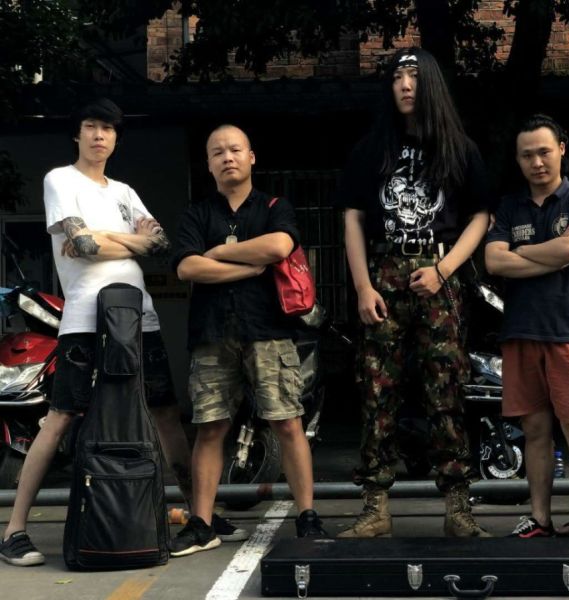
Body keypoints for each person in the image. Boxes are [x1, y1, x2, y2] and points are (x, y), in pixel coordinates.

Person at [0, 99, 248, 568]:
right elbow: (82, 244)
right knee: (61, 416)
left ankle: (201, 516)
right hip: (85, 320)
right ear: (77, 134)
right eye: (91, 126)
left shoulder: (125, 191)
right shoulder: (60, 180)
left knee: (166, 414)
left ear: (116, 138)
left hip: (140, 317)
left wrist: (108, 239)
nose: (99, 135)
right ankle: (14, 530)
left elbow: (160, 244)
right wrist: (125, 241)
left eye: (108, 129)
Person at [336, 47, 491, 538]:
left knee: (446, 388)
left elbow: (480, 216)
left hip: (438, 273)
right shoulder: (371, 148)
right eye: (398, 77)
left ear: (431, 84)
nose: (405, 85)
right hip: (383, 274)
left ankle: (458, 508)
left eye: (414, 76)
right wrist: (362, 286)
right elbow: (353, 218)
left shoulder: (458, 147)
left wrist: (444, 270)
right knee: (376, 390)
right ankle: (375, 507)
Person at [169, 124, 325, 557]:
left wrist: (218, 252)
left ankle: (307, 515)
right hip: (212, 333)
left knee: (288, 422)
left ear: (251, 156)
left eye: (235, 149)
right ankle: (202, 524)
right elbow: (186, 268)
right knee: (210, 427)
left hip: (269, 330)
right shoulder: (197, 213)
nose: (228, 157)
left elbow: (278, 246)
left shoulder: (275, 206)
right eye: (217, 152)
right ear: (208, 164)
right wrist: (246, 266)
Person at [485, 114, 569, 542]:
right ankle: (539, 519)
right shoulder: (509, 206)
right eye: (527, 155)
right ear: (518, 160)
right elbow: (493, 261)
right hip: (520, 331)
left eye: (544, 152)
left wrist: (522, 251)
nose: (537, 162)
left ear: (561, 149)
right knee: (534, 430)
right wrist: (547, 256)